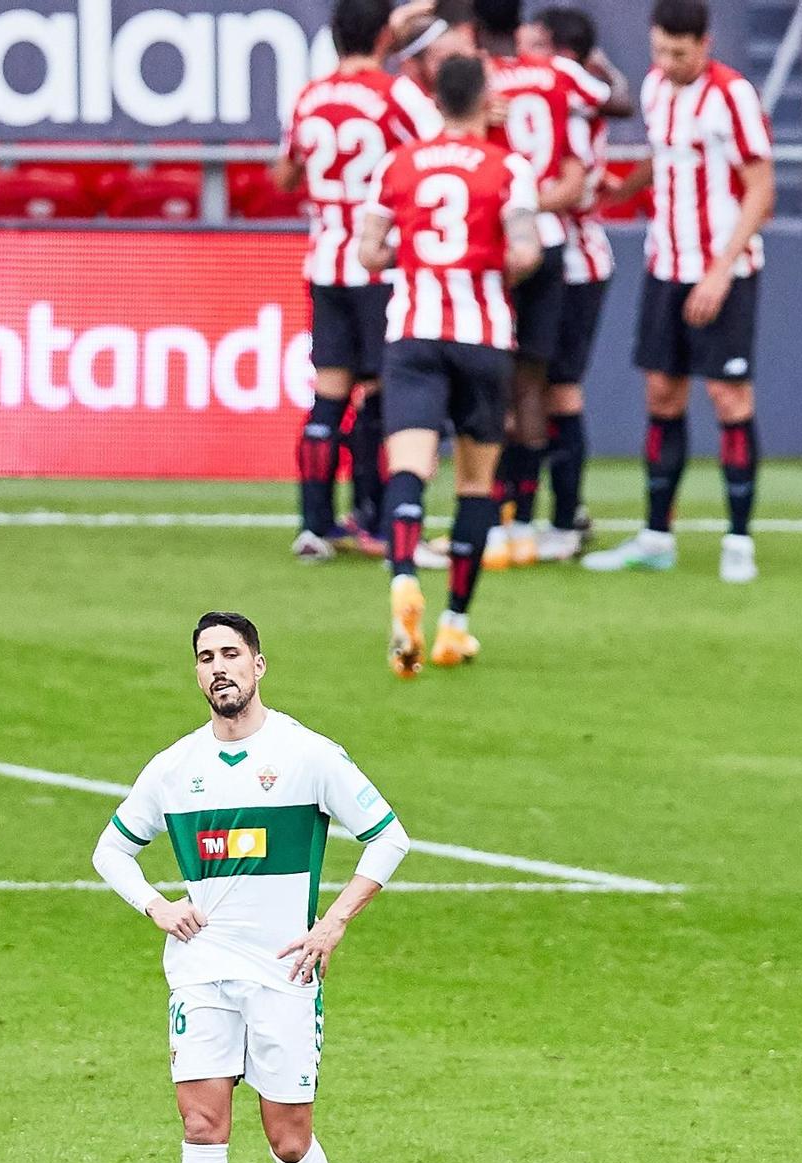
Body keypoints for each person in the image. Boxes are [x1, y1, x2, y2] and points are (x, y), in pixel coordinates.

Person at [91, 611, 410, 1163]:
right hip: (202, 972)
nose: (218, 668)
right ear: (197, 673)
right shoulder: (174, 767)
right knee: (202, 1124)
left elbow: (390, 836)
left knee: (288, 1139)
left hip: (283, 975)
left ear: (259, 666)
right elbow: (110, 851)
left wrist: (333, 923)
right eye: (205, 657)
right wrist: (155, 904)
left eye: (231, 654)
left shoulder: (307, 755)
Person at [356, 54, 542, 676]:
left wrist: (409, 257)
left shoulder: (398, 164)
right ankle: (453, 626)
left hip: (412, 333)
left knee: (408, 467)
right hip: (481, 337)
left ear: (435, 101)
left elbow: (368, 252)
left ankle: (404, 576)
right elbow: (525, 251)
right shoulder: (508, 168)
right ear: (485, 99)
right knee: (474, 483)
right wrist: (492, 260)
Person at [583, 0, 773, 584]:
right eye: (659, 49)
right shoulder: (655, 89)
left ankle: (738, 540)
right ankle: (656, 535)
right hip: (664, 264)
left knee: (728, 399)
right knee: (662, 396)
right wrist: (620, 190)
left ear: (705, 44)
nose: (667, 61)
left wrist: (721, 268)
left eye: (680, 53)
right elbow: (663, 158)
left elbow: (761, 187)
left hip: (723, 269)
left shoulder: (733, 95)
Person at [276, 0, 444, 561]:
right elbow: (439, 151)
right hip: (379, 264)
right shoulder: (394, 94)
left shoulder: (309, 95)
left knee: (327, 397)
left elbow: (284, 174)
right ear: (384, 35)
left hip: (324, 261)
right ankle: (372, 519)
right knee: (378, 396)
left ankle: (313, 525)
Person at [471, 0, 629, 571]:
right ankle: (537, 520)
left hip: (520, 245)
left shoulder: (485, 79)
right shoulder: (564, 82)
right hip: (557, 241)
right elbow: (620, 101)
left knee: (526, 387)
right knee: (537, 387)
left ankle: (531, 519)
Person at [523, 4, 615, 561]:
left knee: (556, 390)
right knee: (525, 389)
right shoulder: (554, 101)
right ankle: (527, 515)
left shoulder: (572, 108)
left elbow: (575, 187)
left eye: (537, 44)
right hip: (540, 256)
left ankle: (563, 518)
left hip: (575, 261)